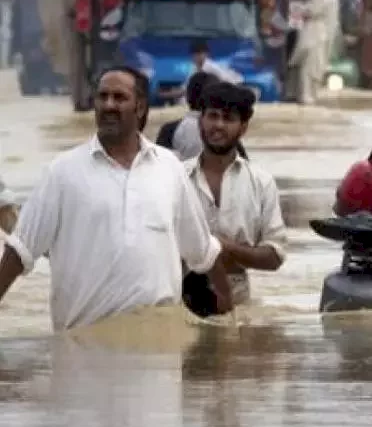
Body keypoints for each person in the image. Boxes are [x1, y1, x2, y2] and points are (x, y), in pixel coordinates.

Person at [0, 67, 232, 331]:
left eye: (119, 98)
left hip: (158, 350)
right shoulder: (62, 172)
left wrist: (230, 312)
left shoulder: (169, 168)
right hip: (84, 349)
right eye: (103, 97)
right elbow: (19, 252)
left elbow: (202, 251)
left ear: (141, 107)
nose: (109, 105)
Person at [181, 83, 287, 317]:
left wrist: (225, 247)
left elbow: (274, 256)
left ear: (243, 127)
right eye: (212, 116)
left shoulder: (261, 182)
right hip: (179, 300)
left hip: (237, 304)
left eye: (228, 118)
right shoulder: (176, 178)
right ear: (201, 121)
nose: (218, 125)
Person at [35, 0, 77, 104]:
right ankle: (70, 91)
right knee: (68, 61)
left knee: (51, 59)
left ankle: (52, 88)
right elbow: (71, 6)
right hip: (64, 27)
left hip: (44, 28)